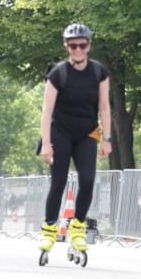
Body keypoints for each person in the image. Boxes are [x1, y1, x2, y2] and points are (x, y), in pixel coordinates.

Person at [38, 23, 112, 258]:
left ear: (89, 46)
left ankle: (78, 227)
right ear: (66, 47)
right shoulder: (57, 73)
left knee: (88, 179)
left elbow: (104, 107)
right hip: (60, 132)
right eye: (72, 46)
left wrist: (107, 139)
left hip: (87, 133)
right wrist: (46, 143)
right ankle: (49, 229)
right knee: (58, 182)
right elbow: (46, 112)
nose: (77, 50)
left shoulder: (99, 72)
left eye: (82, 45)